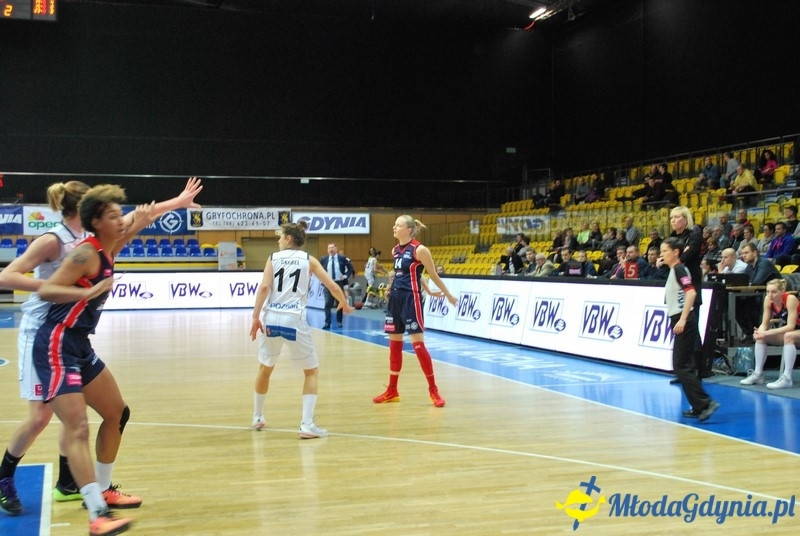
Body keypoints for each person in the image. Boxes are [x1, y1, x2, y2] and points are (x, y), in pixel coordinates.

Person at [0, 178, 202, 525]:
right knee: (61, 422)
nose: (121, 218)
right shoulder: (75, 248)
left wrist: (172, 205)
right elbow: (46, 289)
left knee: (116, 413)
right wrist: (83, 294)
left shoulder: (103, 245)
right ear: (91, 216)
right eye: (113, 214)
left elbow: (136, 220)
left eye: (120, 213)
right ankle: (94, 510)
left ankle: (97, 486)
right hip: (51, 340)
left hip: (78, 342)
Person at [249, 220, 353, 437]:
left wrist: (254, 317)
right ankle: (306, 425)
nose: (278, 241)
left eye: (280, 237)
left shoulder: (273, 258)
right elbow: (332, 286)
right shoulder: (309, 260)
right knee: (311, 371)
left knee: (265, 368)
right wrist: (343, 302)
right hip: (294, 319)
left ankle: (258, 416)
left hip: (271, 319)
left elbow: (264, 287)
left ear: (288, 239)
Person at [373, 216, 457, 407]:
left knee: (418, 346)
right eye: (394, 224)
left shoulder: (420, 249)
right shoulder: (395, 250)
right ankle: (392, 390)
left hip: (411, 300)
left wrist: (447, 295)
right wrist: (390, 287)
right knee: (394, 346)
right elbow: (408, 274)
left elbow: (431, 274)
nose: (394, 227)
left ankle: (433, 390)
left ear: (409, 230)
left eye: (398, 225)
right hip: (395, 299)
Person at [660, 237, 720, 422]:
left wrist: (683, 319)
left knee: (681, 365)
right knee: (685, 364)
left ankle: (705, 403)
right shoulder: (675, 270)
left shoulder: (678, 269)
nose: (662, 255)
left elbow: (691, 292)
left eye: (664, 251)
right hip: (680, 318)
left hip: (683, 320)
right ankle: (697, 405)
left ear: (675, 252)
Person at [740, 278, 799, 389]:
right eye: (768, 291)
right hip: (792, 333)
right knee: (761, 338)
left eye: (774, 292)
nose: (770, 295)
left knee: (788, 335)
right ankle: (758, 374)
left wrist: (768, 332)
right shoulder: (768, 300)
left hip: (794, 332)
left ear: (782, 291)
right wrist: (760, 332)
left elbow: (790, 326)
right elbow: (765, 323)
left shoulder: (790, 299)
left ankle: (787, 378)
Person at [319, 243, 354, 329]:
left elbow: (350, 268)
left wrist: (346, 275)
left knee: (340, 303)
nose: (331, 249)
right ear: (327, 250)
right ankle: (327, 322)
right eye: (329, 248)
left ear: (336, 249)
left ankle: (339, 321)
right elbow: (319, 269)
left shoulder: (342, 258)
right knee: (327, 303)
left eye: (332, 247)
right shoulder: (324, 259)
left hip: (339, 283)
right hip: (328, 283)